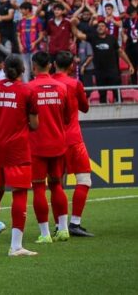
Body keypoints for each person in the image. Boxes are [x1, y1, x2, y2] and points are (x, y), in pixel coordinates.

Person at [0, 56, 38, 257]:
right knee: (19, 193)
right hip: (17, 149)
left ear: (3, 69)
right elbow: (35, 124)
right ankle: (15, 246)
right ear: (22, 69)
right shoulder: (27, 91)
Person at [27, 52, 71, 245]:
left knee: (38, 187)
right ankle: (63, 230)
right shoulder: (62, 87)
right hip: (58, 143)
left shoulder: (29, 89)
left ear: (33, 67)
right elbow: (68, 118)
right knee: (56, 185)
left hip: (37, 145)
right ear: (51, 66)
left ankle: (45, 233)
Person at [53, 51, 94, 237]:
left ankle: (59, 225)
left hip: (53, 139)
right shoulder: (75, 84)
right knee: (84, 180)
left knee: (56, 184)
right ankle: (75, 223)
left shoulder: (48, 84)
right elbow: (85, 108)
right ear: (71, 66)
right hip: (73, 139)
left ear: (54, 64)